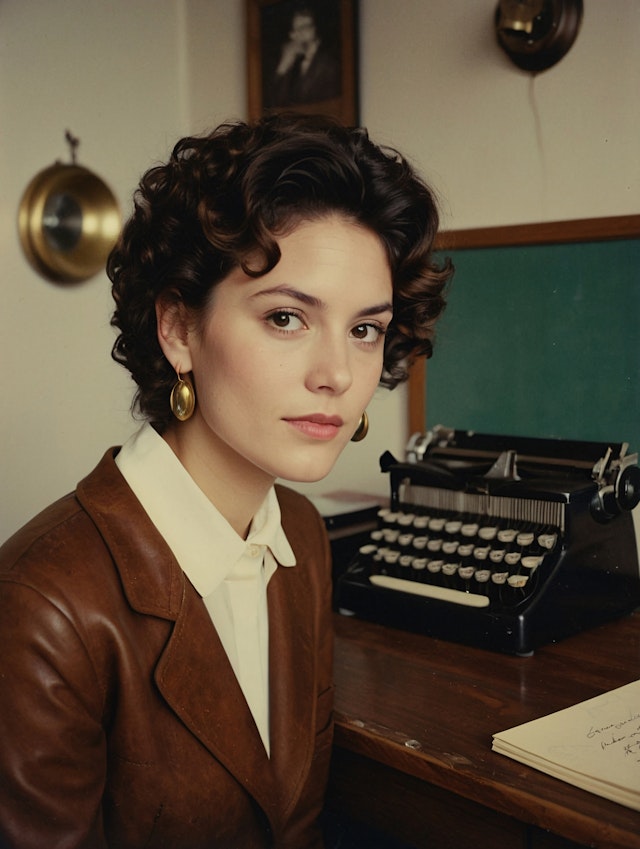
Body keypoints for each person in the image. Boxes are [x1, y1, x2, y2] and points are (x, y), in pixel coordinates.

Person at [0, 113, 451, 849]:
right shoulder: (42, 607)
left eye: (365, 328)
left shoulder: (301, 534)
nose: (337, 374)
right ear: (179, 330)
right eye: (286, 317)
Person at [267, 5, 340, 107]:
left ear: (315, 29)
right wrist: (282, 68)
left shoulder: (328, 63)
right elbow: (275, 103)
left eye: (304, 27)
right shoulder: (291, 64)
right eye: (295, 30)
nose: (298, 34)